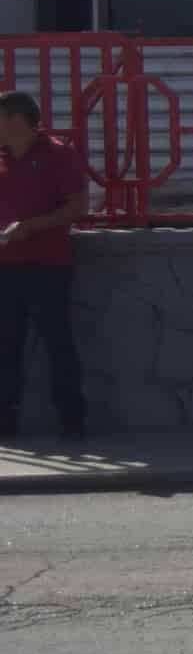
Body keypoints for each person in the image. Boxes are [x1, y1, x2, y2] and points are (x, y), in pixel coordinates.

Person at [0, 91, 90, 439]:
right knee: (6, 345)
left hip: (46, 265)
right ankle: (6, 421)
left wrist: (31, 226)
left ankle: (72, 419)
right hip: (5, 266)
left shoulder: (57, 154)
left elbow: (77, 207)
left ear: (16, 119)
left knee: (58, 342)